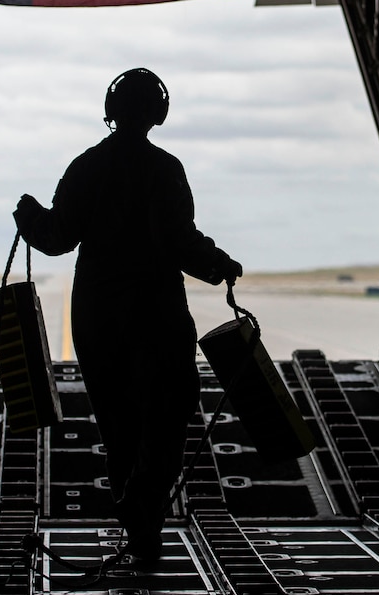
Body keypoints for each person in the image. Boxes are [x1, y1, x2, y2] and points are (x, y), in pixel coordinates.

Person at [13, 68, 242, 562]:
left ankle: (140, 526)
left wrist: (28, 216)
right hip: (156, 310)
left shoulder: (86, 167)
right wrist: (218, 264)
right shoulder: (165, 169)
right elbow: (181, 241)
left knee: (118, 426)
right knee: (169, 411)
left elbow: (57, 239)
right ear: (156, 113)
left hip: (97, 315)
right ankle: (144, 514)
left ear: (111, 110)